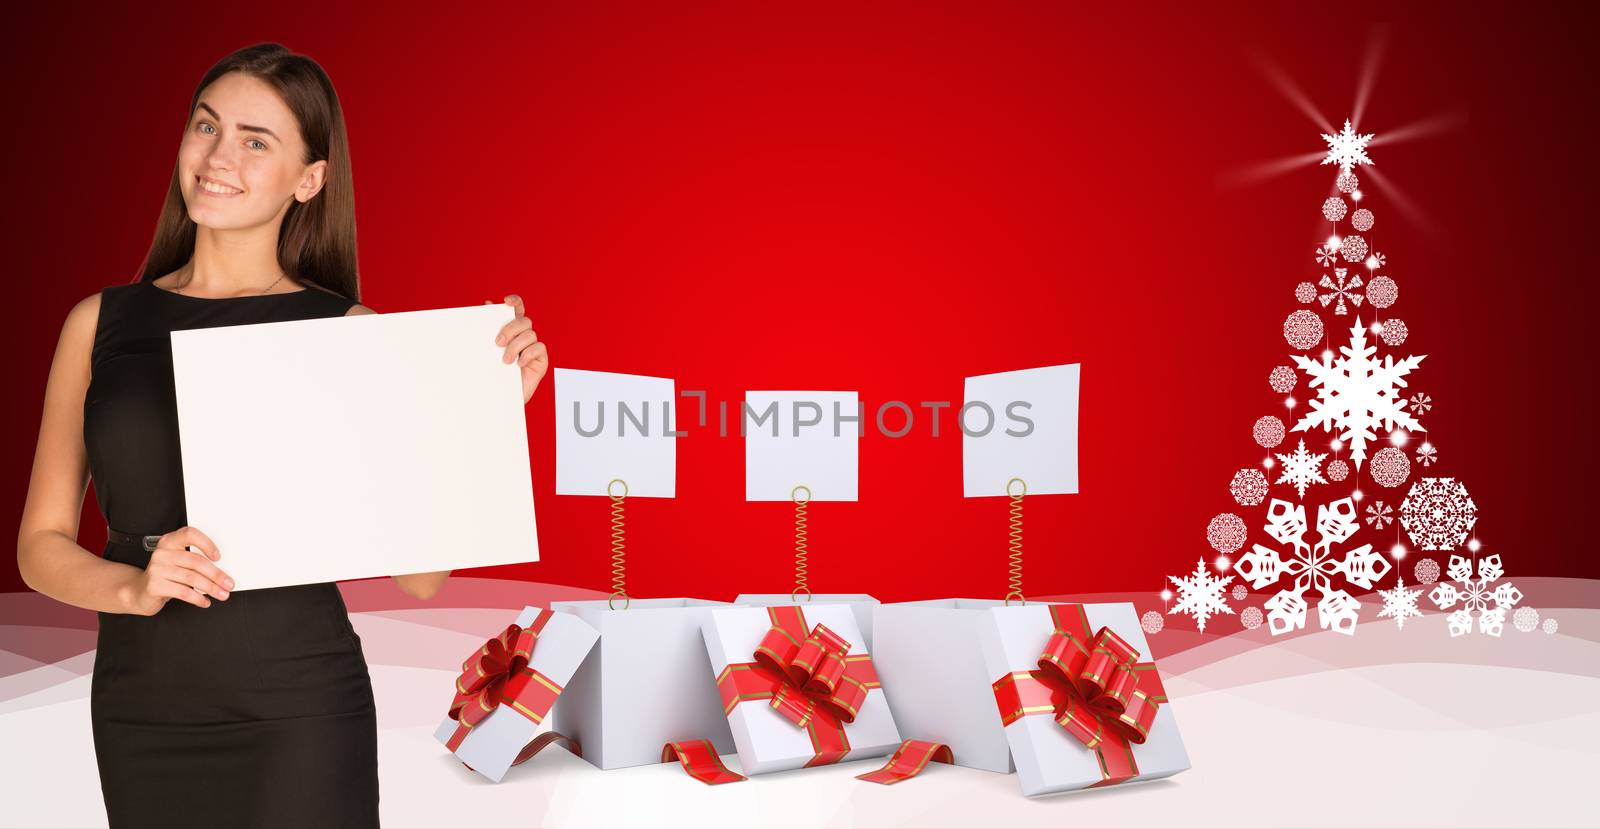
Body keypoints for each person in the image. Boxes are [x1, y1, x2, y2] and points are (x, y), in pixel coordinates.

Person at [15, 43, 549, 827]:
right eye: (207, 126)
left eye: (255, 140)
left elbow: (420, 579)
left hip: (301, 709)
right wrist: (133, 586)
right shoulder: (98, 324)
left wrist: (482, 417)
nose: (218, 156)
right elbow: (41, 544)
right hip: (140, 708)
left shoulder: (350, 333)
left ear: (310, 179)